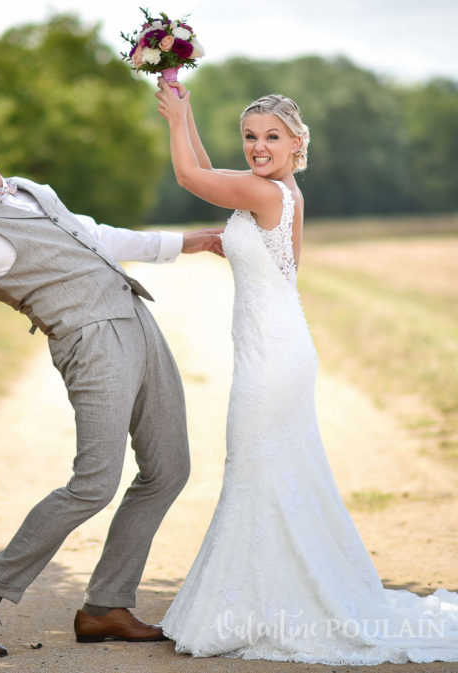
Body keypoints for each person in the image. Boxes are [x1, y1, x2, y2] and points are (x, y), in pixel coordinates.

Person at [0, 102, 224, 657]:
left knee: (169, 470)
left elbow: (97, 237)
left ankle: (105, 607)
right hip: (90, 345)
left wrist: (190, 242)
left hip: (138, 321)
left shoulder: (30, 190)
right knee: (94, 482)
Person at [155, 80, 458, 663]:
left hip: (273, 357)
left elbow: (193, 177)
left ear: (297, 144)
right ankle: (260, 601)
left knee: (256, 468)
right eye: (250, 136)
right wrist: (187, 109)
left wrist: (172, 120)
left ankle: (264, 608)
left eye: (272, 137)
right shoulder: (275, 191)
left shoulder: (263, 193)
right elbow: (216, 174)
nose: (257, 146)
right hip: (278, 348)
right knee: (264, 469)